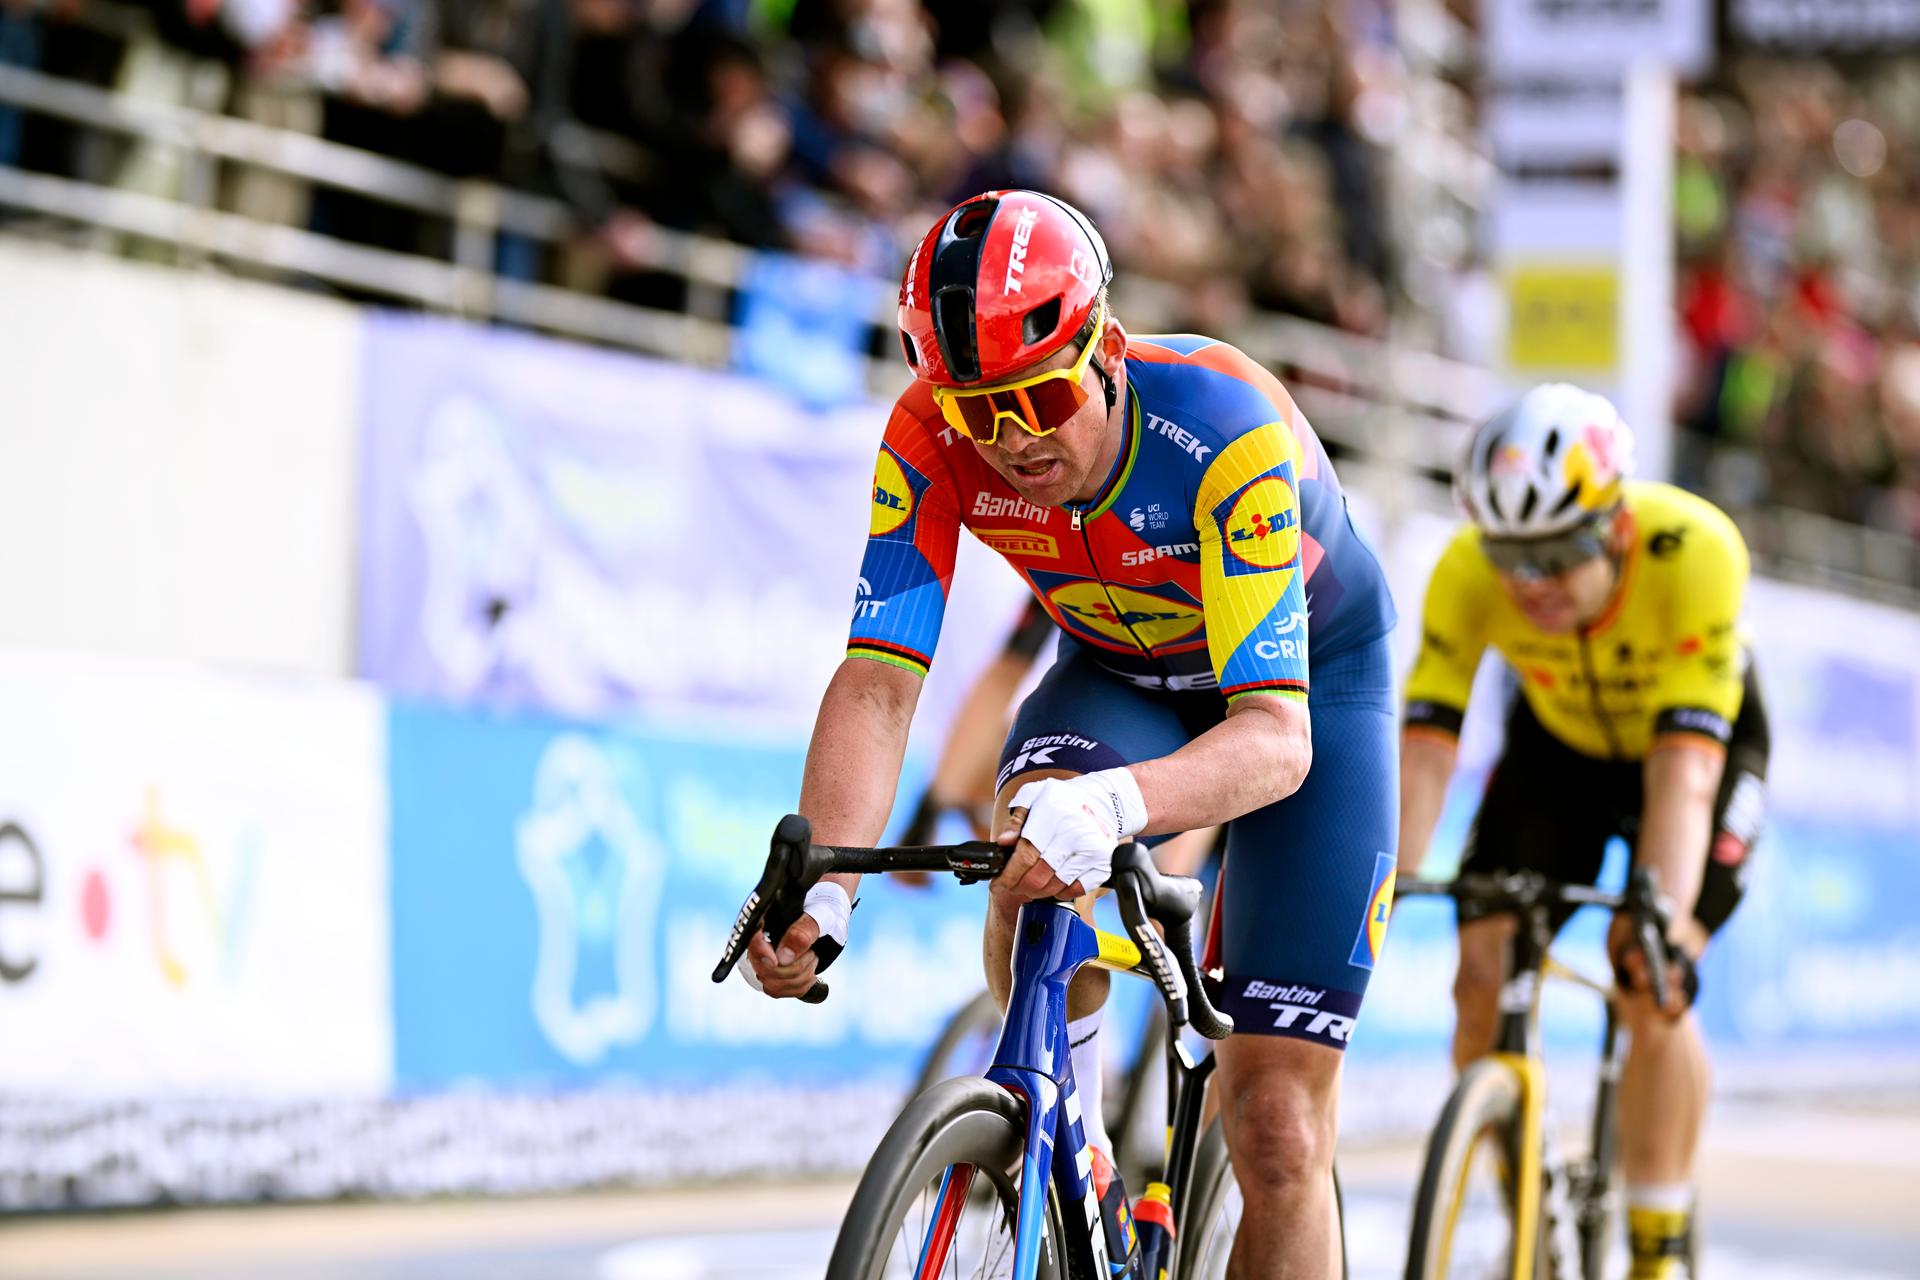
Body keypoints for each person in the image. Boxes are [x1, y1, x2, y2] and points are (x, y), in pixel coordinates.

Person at [744, 188, 1398, 1279]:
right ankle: (1071, 1148)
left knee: (1278, 1123)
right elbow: (876, 683)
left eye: (1040, 397)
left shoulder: (1222, 422)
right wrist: (823, 892)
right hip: (1119, 667)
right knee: (1029, 856)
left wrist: (1121, 803)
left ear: (1106, 350)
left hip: (1308, 691)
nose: (1012, 441)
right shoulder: (928, 437)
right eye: (976, 412)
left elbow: (1276, 741)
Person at [1397, 384, 1770, 1280]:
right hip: (1556, 749)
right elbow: (1425, 753)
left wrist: (1662, 920)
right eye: (1511, 557)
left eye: (1559, 555)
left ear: (1619, 530)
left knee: (1649, 972)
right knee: (1479, 976)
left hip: (1689, 752)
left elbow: (1686, 776)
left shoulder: (1698, 550)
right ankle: (1519, 1198)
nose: (1531, 585)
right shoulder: (1464, 572)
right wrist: (1390, 879)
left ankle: (1659, 1241)